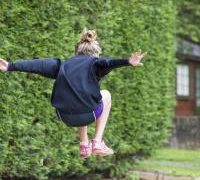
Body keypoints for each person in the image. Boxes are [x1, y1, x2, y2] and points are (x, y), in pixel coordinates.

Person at [0, 28, 147, 158]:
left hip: (64, 116)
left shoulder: (62, 65)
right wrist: (128, 61)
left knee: (77, 96)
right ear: (96, 54)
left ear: (77, 52)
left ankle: (84, 145)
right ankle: (97, 142)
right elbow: (109, 63)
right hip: (89, 114)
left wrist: (11, 66)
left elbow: (37, 65)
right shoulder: (95, 63)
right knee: (106, 95)